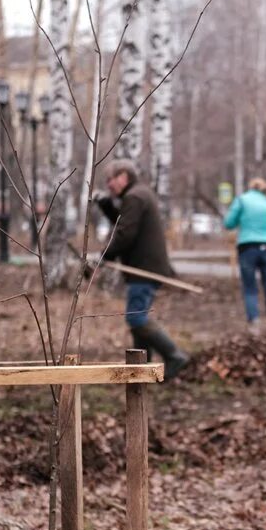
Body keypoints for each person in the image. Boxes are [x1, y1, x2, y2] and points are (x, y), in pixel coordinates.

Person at [95, 160, 190, 380]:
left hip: (144, 268)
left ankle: (174, 356)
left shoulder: (135, 197)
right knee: (138, 317)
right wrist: (107, 206)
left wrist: (103, 256)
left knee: (136, 318)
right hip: (144, 267)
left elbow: (124, 234)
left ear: (124, 177)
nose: (109, 185)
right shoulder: (138, 195)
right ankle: (142, 367)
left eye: (111, 180)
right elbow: (125, 223)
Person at [224, 177, 266, 335]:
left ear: (250, 187)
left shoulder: (242, 200)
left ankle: (255, 327)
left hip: (247, 248)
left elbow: (229, 223)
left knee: (250, 289)